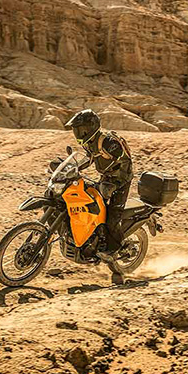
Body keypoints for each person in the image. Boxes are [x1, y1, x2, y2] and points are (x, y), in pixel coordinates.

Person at [64, 109, 133, 261]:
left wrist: (115, 183)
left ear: (91, 127)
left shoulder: (108, 142)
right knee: (89, 202)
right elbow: (89, 159)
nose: (78, 133)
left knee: (112, 217)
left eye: (81, 129)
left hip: (121, 180)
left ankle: (116, 249)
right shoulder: (90, 143)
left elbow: (123, 159)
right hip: (106, 178)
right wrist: (71, 168)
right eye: (76, 130)